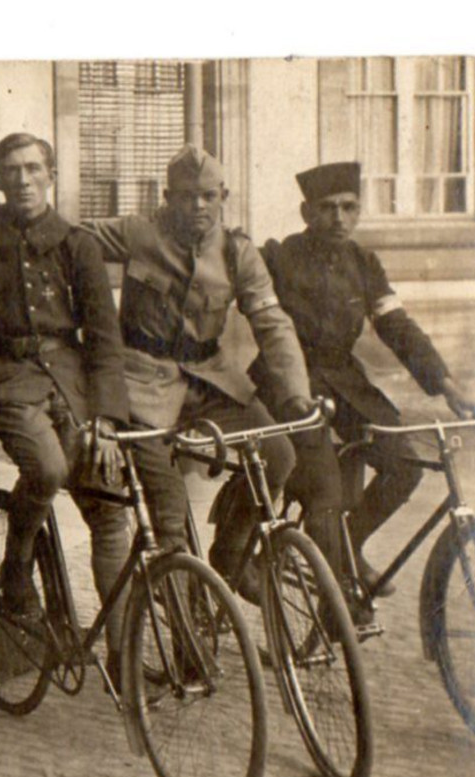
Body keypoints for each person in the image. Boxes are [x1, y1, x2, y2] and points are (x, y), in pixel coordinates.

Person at [82, 146, 315, 600]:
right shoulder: (137, 233)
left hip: (211, 378)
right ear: (168, 197)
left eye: (209, 196)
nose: (199, 206)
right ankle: (188, 644)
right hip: (143, 386)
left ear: (223, 195)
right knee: (169, 511)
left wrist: (296, 396)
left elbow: (272, 322)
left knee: (279, 456)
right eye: (187, 197)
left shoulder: (237, 252)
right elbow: (66, 238)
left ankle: (230, 556)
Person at [258, 160, 475, 603]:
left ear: (359, 212)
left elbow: (396, 325)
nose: (339, 217)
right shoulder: (280, 257)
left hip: (345, 381)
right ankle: (339, 596)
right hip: (291, 383)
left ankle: (347, 547)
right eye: (327, 208)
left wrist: (445, 384)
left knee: (404, 465)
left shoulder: (364, 262)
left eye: (349, 207)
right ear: (307, 213)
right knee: (325, 488)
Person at [0, 133, 133, 674]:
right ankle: (14, 574)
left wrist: (106, 418)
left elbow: (103, 336)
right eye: (11, 171)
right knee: (48, 467)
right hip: (4, 377)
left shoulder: (77, 244)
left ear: (52, 174)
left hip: (70, 379)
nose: (23, 180)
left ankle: (122, 651)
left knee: (107, 502)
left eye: (33, 168)